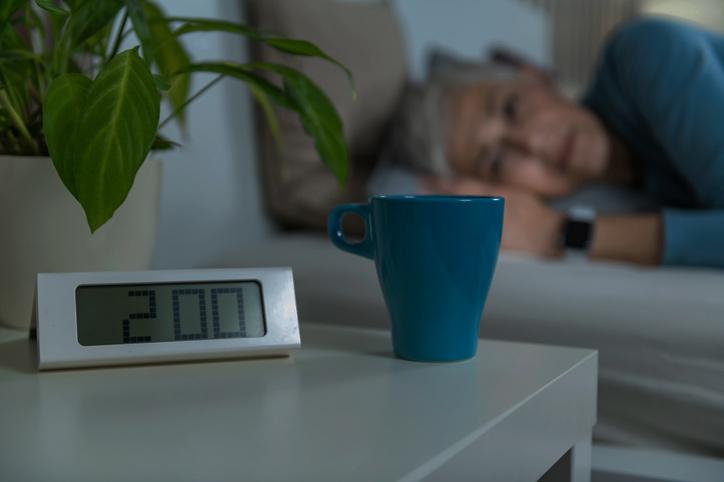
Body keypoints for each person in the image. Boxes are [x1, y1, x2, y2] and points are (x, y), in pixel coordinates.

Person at [383, 17, 724, 268]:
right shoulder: (619, 195)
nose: (531, 143)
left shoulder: (647, 53)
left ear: (534, 76)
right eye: (496, 161)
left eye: (511, 108)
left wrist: (556, 232)